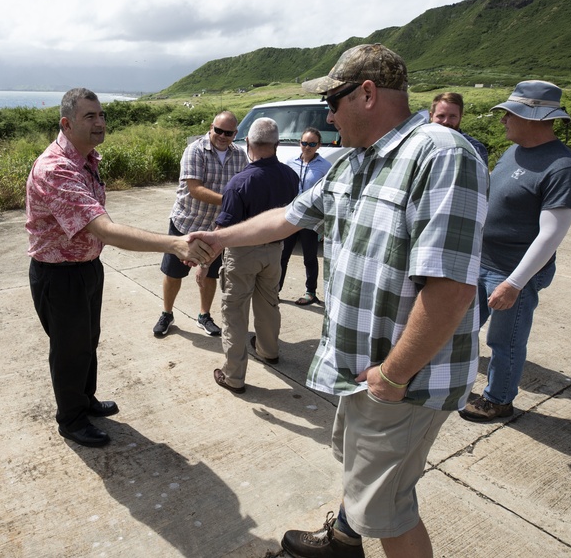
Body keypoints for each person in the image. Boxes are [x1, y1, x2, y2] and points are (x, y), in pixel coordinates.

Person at [190, 44, 488, 558]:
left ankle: (353, 537)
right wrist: (220, 238)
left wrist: (394, 376)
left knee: (389, 511)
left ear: (367, 93)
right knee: (365, 478)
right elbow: (288, 216)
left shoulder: (442, 155)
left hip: (403, 380)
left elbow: (451, 288)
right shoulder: (353, 163)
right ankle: (343, 542)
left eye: (332, 100)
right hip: (363, 370)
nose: (326, 115)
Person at [26, 88, 212, 448]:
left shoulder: (86, 159)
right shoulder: (56, 168)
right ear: (66, 124)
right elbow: (104, 230)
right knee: (69, 349)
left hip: (86, 267)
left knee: (88, 340)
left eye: (101, 115)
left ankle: (86, 400)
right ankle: (71, 419)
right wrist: (172, 242)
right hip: (59, 274)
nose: (99, 123)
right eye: (89, 117)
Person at [460, 80, 571, 422]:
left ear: (533, 118)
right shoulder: (514, 151)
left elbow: (551, 235)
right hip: (484, 262)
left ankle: (498, 400)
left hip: (512, 271)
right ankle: (459, 383)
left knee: (505, 341)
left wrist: (514, 284)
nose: (503, 121)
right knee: (463, 329)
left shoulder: (563, 167)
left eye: (509, 114)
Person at [209, 117, 299, 394]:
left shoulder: (240, 183)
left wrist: (204, 262)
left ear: (248, 142)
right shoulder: (290, 176)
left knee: (235, 312)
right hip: (274, 251)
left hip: (243, 254)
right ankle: (268, 350)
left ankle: (233, 376)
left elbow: (223, 230)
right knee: (268, 303)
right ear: (277, 144)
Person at [152, 111, 248, 338]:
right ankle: (167, 313)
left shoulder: (240, 155)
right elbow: (195, 189)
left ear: (235, 133)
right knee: (174, 273)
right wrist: (230, 201)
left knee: (211, 274)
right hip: (187, 223)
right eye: (219, 130)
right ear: (211, 127)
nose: (223, 136)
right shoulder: (195, 150)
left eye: (229, 133)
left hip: (217, 228)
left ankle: (204, 315)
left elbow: (245, 185)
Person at [278, 127, 331, 305]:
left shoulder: (325, 167)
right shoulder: (290, 162)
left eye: (312, 144)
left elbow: (328, 193)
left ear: (319, 145)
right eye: (304, 143)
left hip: (311, 218)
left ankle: (310, 292)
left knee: (309, 257)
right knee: (283, 255)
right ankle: (274, 290)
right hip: (291, 216)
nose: (307, 147)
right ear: (300, 143)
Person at [429, 91, 489, 166]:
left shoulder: (475, 148)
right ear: (431, 116)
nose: (446, 121)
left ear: (460, 117)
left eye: (452, 116)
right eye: (441, 116)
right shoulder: (421, 142)